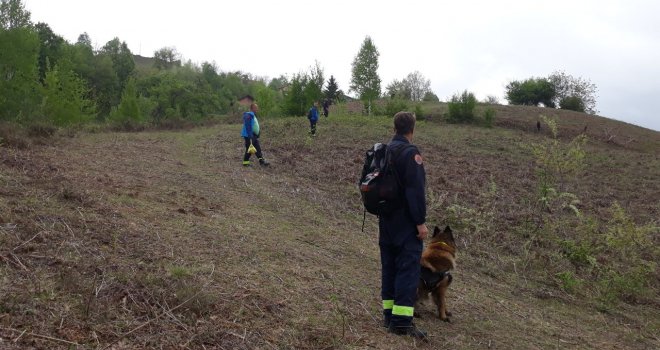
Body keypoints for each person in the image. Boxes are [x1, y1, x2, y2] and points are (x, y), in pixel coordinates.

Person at [379, 111, 428, 339]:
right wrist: (420, 223)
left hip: (385, 219)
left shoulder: (385, 150)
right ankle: (401, 323)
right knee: (408, 269)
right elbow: (415, 192)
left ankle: (389, 315)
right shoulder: (411, 154)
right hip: (405, 222)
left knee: (389, 267)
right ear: (412, 129)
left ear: (394, 128)